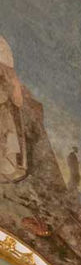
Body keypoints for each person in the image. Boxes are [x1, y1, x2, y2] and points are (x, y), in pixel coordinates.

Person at [0, 34, 28, 183]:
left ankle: (7, 167)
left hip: (3, 105)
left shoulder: (2, 46)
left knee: (7, 133)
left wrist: (15, 93)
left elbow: (10, 76)